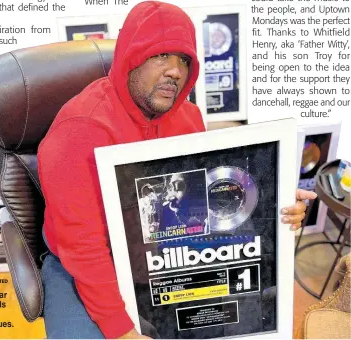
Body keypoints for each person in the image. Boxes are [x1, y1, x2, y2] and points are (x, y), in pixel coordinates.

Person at [37, 1, 317, 339]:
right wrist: (119, 328)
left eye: (184, 60)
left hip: (162, 253)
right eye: (161, 56)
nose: (175, 71)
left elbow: (204, 204)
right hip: (87, 259)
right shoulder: (81, 128)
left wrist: (275, 205)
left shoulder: (189, 118)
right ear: (131, 57)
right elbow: (82, 246)